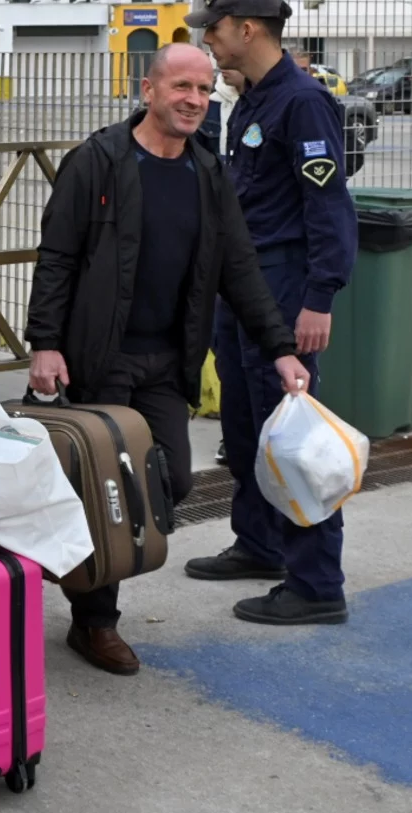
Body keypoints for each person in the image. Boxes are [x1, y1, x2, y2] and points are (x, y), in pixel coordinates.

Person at [26, 44, 308, 674]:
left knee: (170, 481)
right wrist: (44, 343)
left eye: (206, 90)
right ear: (148, 90)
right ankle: (95, 623)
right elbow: (57, 258)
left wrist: (281, 348)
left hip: (166, 361)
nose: (194, 100)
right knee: (110, 489)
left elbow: (239, 267)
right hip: (98, 359)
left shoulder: (207, 173)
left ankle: (78, 574)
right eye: (182, 86)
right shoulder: (96, 162)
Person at [182, 0, 357, 625]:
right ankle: (260, 544)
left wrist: (320, 297)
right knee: (247, 425)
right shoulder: (252, 102)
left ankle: (316, 583)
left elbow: (328, 205)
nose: (208, 38)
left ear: (247, 29)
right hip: (246, 287)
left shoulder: (303, 104)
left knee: (295, 436)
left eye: (216, 27)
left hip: (286, 289)